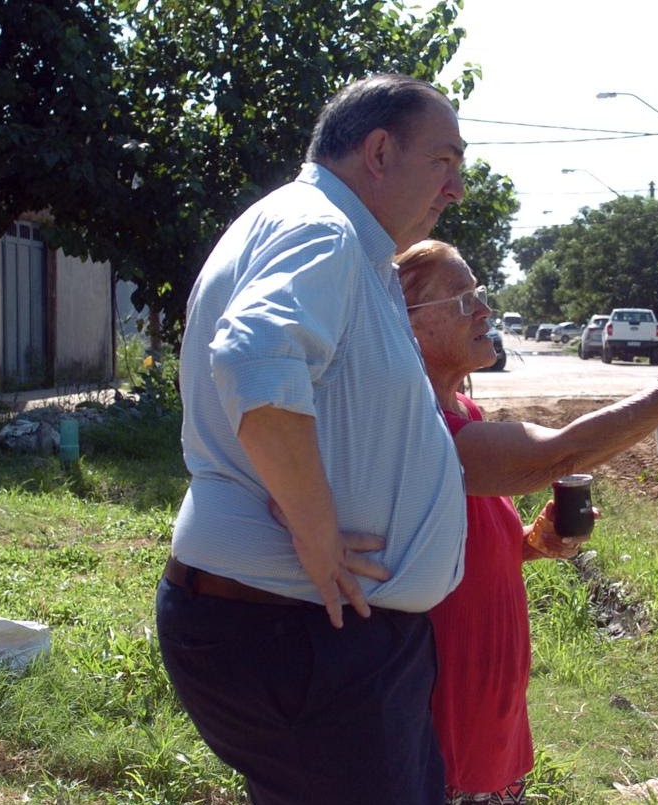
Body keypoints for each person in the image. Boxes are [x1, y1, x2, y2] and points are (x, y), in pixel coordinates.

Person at [394, 240, 658, 802]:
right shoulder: (416, 428)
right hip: (442, 730)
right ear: (408, 322)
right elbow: (561, 453)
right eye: (463, 299)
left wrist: (533, 542)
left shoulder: (465, 411)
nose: (485, 311)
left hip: (490, 721)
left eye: (481, 294)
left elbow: (461, 548)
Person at [156, 75, 470, 805]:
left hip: (312, 631)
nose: (455, 189)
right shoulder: (322, 229)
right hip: (302, 632)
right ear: (380, 151)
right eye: (444, 161)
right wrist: (317, 527)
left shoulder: (335, 238)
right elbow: (255, 356)